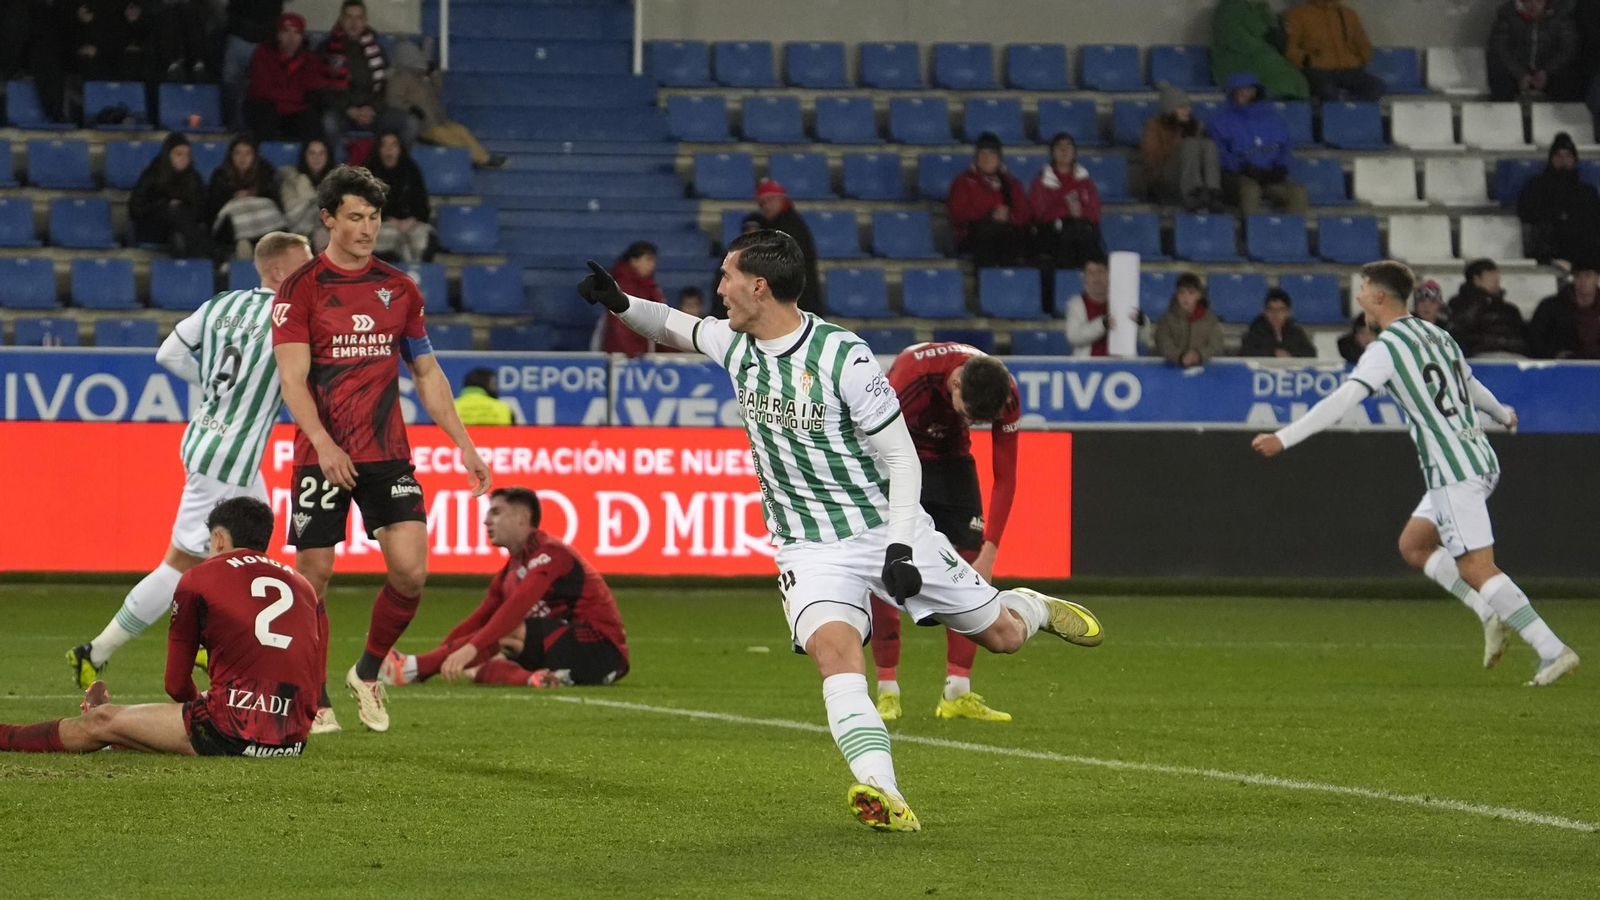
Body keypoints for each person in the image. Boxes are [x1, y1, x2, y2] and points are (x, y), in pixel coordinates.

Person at [577, 230, 1103, 833]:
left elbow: (904, 461)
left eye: (725, 277)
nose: (716, 288)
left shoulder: (842, 357)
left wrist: (902, 546)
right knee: (834, 652)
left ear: (759, 287)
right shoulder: (734, 342)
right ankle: (883, 790)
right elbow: (673, 326)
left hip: (882, 526)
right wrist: (621, 303)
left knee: (1003, 637)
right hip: (807, 545)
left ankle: (1030, 606)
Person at [1253, 260, 1578, 687]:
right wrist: (1502, 413)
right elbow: (1470, 385)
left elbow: (1342, 400)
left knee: (1477, 568)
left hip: (1452, 469)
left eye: (1364, 287)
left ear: (1381, 296)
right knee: (1414, 544)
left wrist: (1284, 437)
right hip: (1476, 456)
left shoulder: (1386, 349)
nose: (1360, 296)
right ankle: (1487, 611)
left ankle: (1551, 648)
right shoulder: (1437, 334)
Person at [271, 165, 493, 733]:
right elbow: (292, 380)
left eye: (373, 217)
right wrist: (322, 443)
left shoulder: (399, 289)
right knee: (313, 575)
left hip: (386, 451)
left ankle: (366, 673)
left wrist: (464, 443)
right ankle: (314, 697)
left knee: (410, 573)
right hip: (321, 454)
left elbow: (426, 372)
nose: (367, 228)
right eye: (355, 217)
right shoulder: (300, 290)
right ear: (328, 220)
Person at [66, 233, 314, 697]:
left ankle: (208, 639)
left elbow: (168, 354)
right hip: (229, 460)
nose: (313, 273)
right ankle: (96, 651)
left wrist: (218, 387)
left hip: (207, 441)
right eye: (305, 265)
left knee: (255, 553)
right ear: (278, 271)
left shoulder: (222, 303)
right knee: (180, 564)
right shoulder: (288, 317)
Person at [14, 498, 327, 757]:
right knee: (205, 703)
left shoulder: (201, 577)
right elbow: (315, 683)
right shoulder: (304, 587)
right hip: (292, 739)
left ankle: (10, 736)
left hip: (232, 732)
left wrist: (200, 707)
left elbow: (176, 684)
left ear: (218, 539)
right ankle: (128, 728)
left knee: (99, 721)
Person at [870, 345, 1021, 724]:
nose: (969, 422)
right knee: (887, 565)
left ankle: (957, 692)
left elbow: (1006, 476)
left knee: (967, 565)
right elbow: (869, 446)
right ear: (954, 384)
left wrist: (990, 552)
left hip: (953, 463)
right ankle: (887, 690)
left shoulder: (1006, 392)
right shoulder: (908, 379)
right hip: (899, 463)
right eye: (966, 414)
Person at [381, 488, 629, 689]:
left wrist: (460, 652)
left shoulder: (552, 553)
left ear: (522, 517)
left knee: (505, 633)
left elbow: (517, 606)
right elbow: (477, 622)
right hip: (561, 651)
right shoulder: (508, 572)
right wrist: (443, 657)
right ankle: (536, 680)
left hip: (600, 650)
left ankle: (411, 669)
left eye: (496, 512)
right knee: (478, 664)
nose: (487, 520)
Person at [385, 38, 507, 169]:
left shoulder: (420, 77)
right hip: (425, 126)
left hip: (437, 121)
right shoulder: (400, 78)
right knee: (451, 139)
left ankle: (482, 156)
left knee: (460, 131)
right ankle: (482, 159)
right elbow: (392, 99)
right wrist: (410, 109)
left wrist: (435, 75)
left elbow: (434, 92)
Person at [319, 0, 415, 158]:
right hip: (342, 112)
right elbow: (324, 89)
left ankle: (398, 171)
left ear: (365, 21)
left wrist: (372, 109)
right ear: (341, 19)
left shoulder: (377, 49)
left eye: (359, 18)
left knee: (410, 123)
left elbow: (384, 87)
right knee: (328, 122)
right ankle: (338, 174)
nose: (354, 23)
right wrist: (349, 109)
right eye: (349, 17)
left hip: (373, 112)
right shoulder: (327, 49)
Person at [1210, 73, 1309, 216]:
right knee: (1250, 190)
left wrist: (1280, 167)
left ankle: (1293, 236)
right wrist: (1241, 167)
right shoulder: (1220, 121)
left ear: (1256, 91)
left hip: (1268, 176)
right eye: (1240, 90)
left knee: (1297, 192)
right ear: (1232, 92)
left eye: (1249, 89)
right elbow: (1219, 152)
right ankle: (1249, 234)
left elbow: (1285, 147)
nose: (1245, 93)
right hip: (1237, 176)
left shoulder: (1273, 118)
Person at [948, 132, 1031, 269]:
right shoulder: (963, 181)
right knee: (986, 234)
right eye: (982, 153)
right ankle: (987, 285)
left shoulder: (1010, 182)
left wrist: (1009, 216)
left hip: (1005, 234)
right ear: (976, 157)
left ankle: (1008, 283)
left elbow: (1025, 213)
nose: (987, 158)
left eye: (991, 153)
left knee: (1014, 238)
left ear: (999, 158)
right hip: (974, 235)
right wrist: (990, 213)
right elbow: (958, 212)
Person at [1517, 133, 1600, 266]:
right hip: (1548, 250)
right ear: (1551, 159)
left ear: (1574, 159)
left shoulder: (1588, 192)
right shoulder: (1535, 187)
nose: (1563, 160)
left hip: (1582, 254)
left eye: (1568, 156)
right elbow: (1528, 216)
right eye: (1558, 156)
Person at [244, 12, 328, 144]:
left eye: (297, 33)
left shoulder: (310, 58)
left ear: (302, 36)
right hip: (269, 110)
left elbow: (312, 93)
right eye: (286, 32)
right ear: (278, 34)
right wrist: (298, 97)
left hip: (296, 114)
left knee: (312, 122)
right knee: (263, 116)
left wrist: (279, 95)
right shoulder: (262, 54)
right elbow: (261, 91)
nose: (291, 38)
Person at [1141, 83, 1225, 212]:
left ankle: (1212, 191)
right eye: (1182, 107)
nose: (1188, 111)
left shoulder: (1195, 125)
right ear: (1170, 109)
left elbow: (1204, 154)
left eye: (1188, 106)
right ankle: (1192, 193)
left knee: (1209, 144)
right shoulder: (1153, 127)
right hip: (1165, 177)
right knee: (1189, 144)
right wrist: (1178, 143)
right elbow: (1152, 161)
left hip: (1195, 174)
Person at [1028, 132, 1104, 271]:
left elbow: (1095, 212)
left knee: (1090, 240)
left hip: (1081, 227)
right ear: (1052, 153)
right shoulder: (1040, 181)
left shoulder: (1085, 180)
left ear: (1074, 152)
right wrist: (1066, 209)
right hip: (1053, 232)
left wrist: (1080, 212)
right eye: (1059, 147)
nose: (1064, 151)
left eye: (1068, 147)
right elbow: (1040, 214)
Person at [129, 132, 212, 258]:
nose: (184, 158)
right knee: (173, 211)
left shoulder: (194, 177)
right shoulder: (152, 175)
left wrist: (182, 208)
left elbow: (202, 209)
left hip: (181, 228)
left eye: (187, 154)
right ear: (168, 155)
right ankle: (211, 256)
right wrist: (163, 206)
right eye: (179, 154)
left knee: (178, 237)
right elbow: (135, 209)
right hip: (152, 227)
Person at [1283, 0, 1384, 102]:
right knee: (1327, 91)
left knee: (1375, 87)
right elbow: (1291, 48)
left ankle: (1347, 107)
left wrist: (1360, 60)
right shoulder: (1296, 15)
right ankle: (1340, 109)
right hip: (1318, 70)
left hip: (1349, 69)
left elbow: (1362, 43)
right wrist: (1308, 61)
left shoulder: (1348, 14)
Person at [1211, 0, 1310, 100]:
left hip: (1260, 56)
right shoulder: (1230, 7)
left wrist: (1278, 32)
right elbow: (1235, 37)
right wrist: (1263, 49)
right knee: (1276, 73)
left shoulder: (1261, 8)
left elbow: (1271, 35)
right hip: (1235, 61)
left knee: (1294, 75)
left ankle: (1292, 105)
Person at [206, 136, 285, 259]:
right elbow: (213, 209)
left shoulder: (265, 173)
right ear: (231, 155)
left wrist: (253, 196)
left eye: (247, 153)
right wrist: (233, 198)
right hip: (232, 234)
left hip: (263, 229)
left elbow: (273, 203)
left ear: (254, 156)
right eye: (238, 153)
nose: (242, 158)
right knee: (243, 246)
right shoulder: (220, 175)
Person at [1488, 0, 1582, 102]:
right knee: (1499, 76)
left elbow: (1569, 48)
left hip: (1549, 71)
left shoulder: (1561, 13)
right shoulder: (1508, 13)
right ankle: (1504, 115)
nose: (1533, 6)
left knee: (1568, 79)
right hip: (1516, 71)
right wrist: (1519, 73)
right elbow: (1499, 47)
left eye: (1539, 1)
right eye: (1528, 1)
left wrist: (1546, 72)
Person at [754, 180, 821, 313]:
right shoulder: (778, 224)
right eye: (763, 203)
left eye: (771, 200)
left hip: (797, 299)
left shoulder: (789, 227)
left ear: (781, 199)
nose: (767, 206)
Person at [366, 131, 434, 263]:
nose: (389, 150)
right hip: (381, 224)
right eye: (384, 145)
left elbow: (422, 204)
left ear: (400, 149)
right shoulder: (369, 172)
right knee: (393, 237)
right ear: (378, 150)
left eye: (393, 145)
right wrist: (390, 220)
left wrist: (413, 219)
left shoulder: (411, 169)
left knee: (422, 237)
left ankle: (416, 275)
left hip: (411, 223)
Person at [1062, 257, 1151, 357]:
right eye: (1091, 273)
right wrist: (1102, 325)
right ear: (1084, 277)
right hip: (1087, 368)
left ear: (1110, 275)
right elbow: (1073, 337)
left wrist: (1141, 323)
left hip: (1121, 368)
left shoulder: (1124, 301)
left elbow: (1148, 340)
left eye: (1101, 271)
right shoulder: (1076, 304)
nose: (1096, 277)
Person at [222, 0, 288, 127]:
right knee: (232, 83)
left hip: (267, 36)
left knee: (267, 89)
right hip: (239, 32)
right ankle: (236, 128)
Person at [1449, 259, 1530, 358]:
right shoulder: (1461, 305)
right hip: (1479, 358)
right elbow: (1461, 332)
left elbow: (1523, 338)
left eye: (1497, 277)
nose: (1496, 280)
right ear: (1477, 280)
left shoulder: (1510, 310)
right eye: (1490, 276)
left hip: (1513, 356)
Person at [594, 241, 661, 357]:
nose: (652, 265)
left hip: (638, 352)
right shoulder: (624, 288)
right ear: (634, 261)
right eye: (648, 260)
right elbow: (619, 326)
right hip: (625, 355)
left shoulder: (648, 287)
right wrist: (630, 354)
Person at [64, 0, 155, 85]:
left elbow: (148, 21)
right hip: (92, 46)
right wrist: (79, 17)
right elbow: (65, 18)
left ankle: (124, 98)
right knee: (88, 59)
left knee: (133, 59)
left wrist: (136, 19)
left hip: (124, 47)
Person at [1528, 258, 1600, 358]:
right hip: (1561, 366)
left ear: (1597, 278)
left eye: (1588, 275)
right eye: (1578, 276)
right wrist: (1556, 354)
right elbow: (1535, 339)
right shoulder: (1550, 306)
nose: (1583, 281)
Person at [1154, 273, 1226, 366]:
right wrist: (1180, 356)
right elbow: (1163, 344)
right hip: (1171, 372)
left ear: (1199, 295)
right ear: (1176, 295)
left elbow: (1216, 346)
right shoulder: (1166, 320)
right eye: (1182, 292)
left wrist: (1198, 355)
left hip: (1204, 372)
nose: (1186, 297)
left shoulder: (1210, 320)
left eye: (1191, 293)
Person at [279, 138, 333, 248]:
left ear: (328, 156)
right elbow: (291, 215)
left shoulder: (338, 181)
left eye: (321, 153)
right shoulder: (292, 180)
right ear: (304, 156)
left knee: (323, 235)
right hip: (298, 231)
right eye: (312, 153)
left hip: (328, 230)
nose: (316, 158)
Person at [1240, 288, 1317, 358]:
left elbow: (1310, 353)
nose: (1275, 314)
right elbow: (1245, 353)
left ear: (1288, 312)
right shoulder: (1255, 331)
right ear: (1265, 312)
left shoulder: (1295, 331)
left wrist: (1290, 355)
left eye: (1280, 310)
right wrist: (1273, 354)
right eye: (1271, 309)